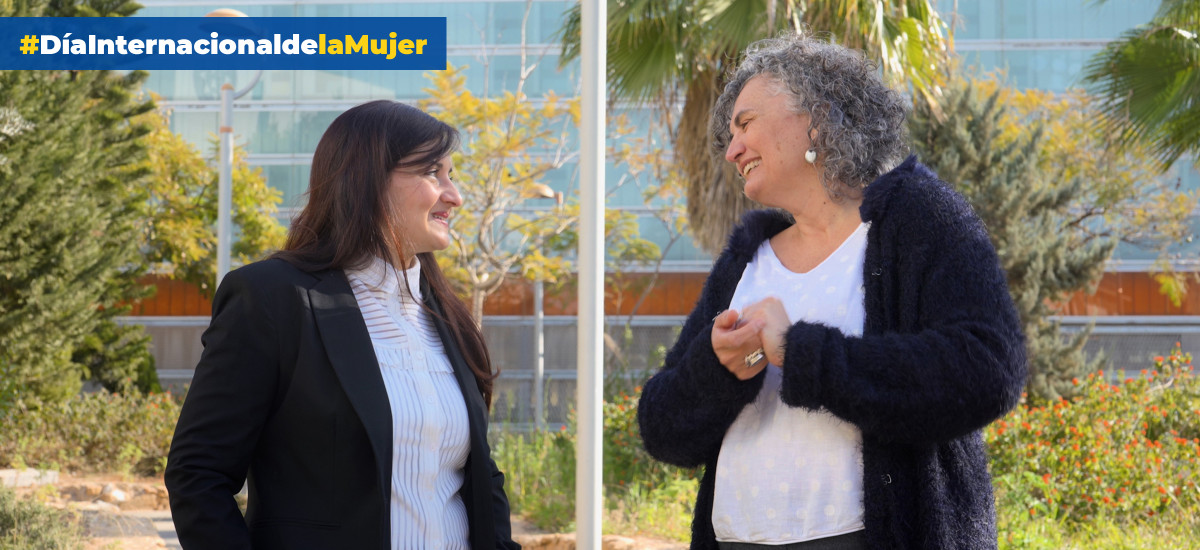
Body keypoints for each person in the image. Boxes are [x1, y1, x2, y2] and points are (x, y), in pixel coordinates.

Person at [637, 33, 1027, 550]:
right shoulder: (745, 258)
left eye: (745, 123)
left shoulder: (919, 217)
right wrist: (714, 369)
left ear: (816, 117)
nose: (732, 150)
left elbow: (988, 368)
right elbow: (662, 429)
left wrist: (799, 354)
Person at [165, 100, 521, 550]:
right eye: (434, 173)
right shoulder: (273, 299)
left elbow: (482, 480)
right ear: (368, 179)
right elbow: (198, 474)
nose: (455, 195)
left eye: (452, 175)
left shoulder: (448, 316)